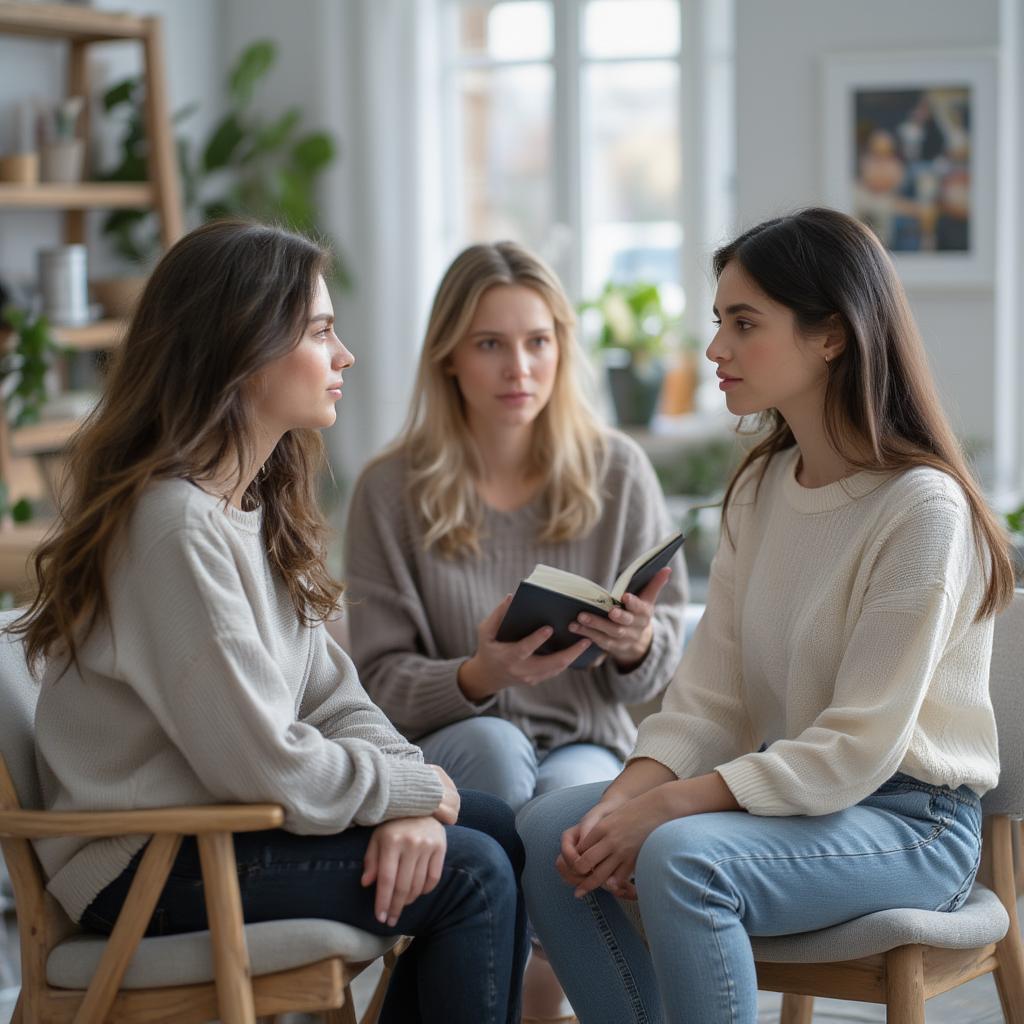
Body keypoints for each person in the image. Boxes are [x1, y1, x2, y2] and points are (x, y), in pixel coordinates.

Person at [13, 221, 529, 1024]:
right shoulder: (174, 528)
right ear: (242, 350)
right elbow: (267, 764)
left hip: (214, 837)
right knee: (472, 870)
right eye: (321, 331)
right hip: (146, 864)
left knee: (498, 829)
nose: (345, 355)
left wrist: (411, 799)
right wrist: (413, 790)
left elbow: (335, 698)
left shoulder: (241, 511)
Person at [516, 207, 1014, 1024]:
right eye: (719, 322)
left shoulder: (922, 508)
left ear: (831, 337)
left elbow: (857, 748)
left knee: (682, 856)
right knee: (550, 830)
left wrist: (667, 807)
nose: (715, 349)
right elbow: (711, 699)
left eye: (744, 324)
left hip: (910, 821)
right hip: (789, 798)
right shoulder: (759, 487)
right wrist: (623, 802)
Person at [343, 241, 688, 1019]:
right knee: (500, 753)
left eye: (538, 342)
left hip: (584, 738)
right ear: (449, 356)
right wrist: (480, 675)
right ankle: (507, 988)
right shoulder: (390, 490)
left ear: (563, 348)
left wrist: (634, 644)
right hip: (453, 744)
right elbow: (372, 684)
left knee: (567, 808)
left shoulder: (618, 471)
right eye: (490, 344)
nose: (518, 368)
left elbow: (666, 665)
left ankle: (519, 991)